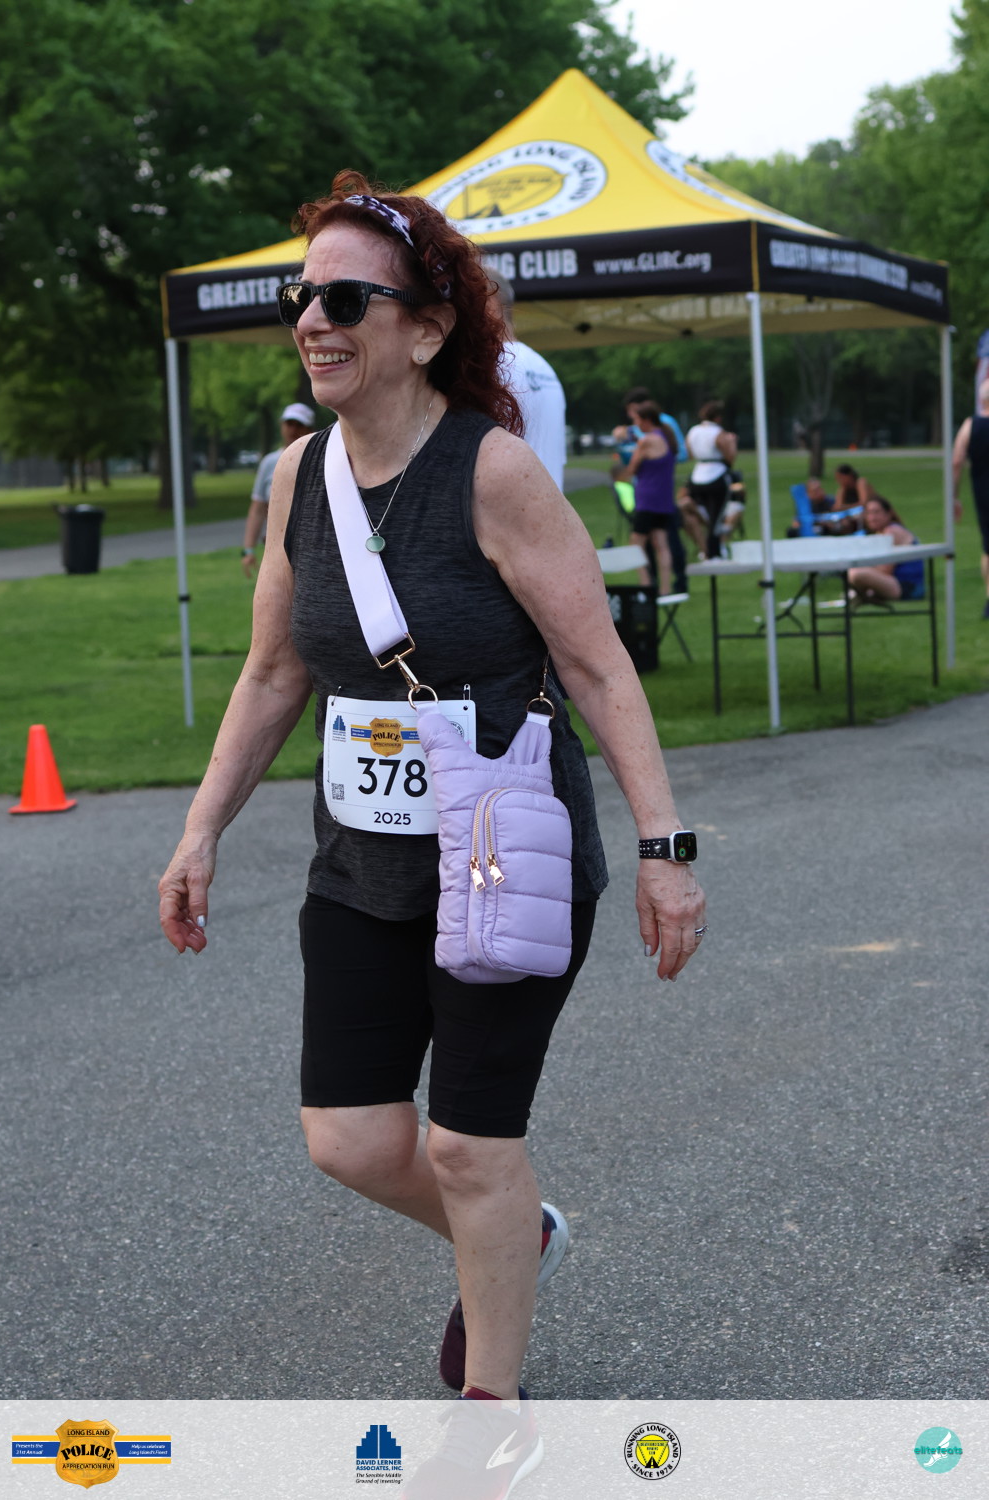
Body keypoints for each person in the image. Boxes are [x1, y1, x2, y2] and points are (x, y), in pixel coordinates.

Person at [157, 172, 705, 1471]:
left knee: (466, 1143)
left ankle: (492, 1413)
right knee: (350, 1140)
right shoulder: (299, 475)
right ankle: (520, 1237)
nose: (312, 321)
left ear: (426, 326)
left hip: (508, 850)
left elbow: (598, 667)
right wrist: (200, 830)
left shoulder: (494, 473)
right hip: (362, 860)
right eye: (301, 298)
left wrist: (663, 850)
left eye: (345, 299)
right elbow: (274, 671)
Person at [491, 271, 566, 490]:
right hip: (548, 503)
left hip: (511, 506)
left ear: (489, 304)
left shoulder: (493, 367)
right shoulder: (543, 366)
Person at [613, 386, 688, 591]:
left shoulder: (646, 442)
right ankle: (665, 589)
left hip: (647, 499)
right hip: (664, 500)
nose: (635, 424)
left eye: (637, 420)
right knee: (662, 545)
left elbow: (631, 468)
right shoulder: (667, 437)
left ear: (646, 420)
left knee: (635, 543)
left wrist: (625, 443)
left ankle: (646, 584)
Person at [241, 402, 316, 577]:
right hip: (275, 548)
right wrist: (248, 549)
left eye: (299, 425)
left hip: (310, 547)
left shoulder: (320, 459)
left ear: (310, 429)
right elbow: (258, 508)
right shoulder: (269, 462)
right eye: (289, 424)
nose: (293, 430)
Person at [951, 379, 989, 619]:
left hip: (984, 491)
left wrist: (954, 497)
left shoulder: (971, 425)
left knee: (988, 546)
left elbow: (957, 462)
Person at [848, 485, 924, 602]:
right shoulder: (881, 533)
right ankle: (865, 595)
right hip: (897, 583)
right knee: (856, 571)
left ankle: (864, 595)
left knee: (856, 573)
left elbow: (885, 570)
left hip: (908, 586)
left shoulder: (892, 532)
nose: (872, 518)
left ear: (888, 514)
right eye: (868, 513)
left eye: (876, 512)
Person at [684, 400, 738, 558]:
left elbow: (689, 453)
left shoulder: (693, 431)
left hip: (697, 476)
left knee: (703, 513)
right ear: (718, 417)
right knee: (716, 517)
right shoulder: (719, 432)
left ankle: (703, 548)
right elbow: (730, 457)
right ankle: (714, 552)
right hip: (716, 475)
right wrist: (733, 442)